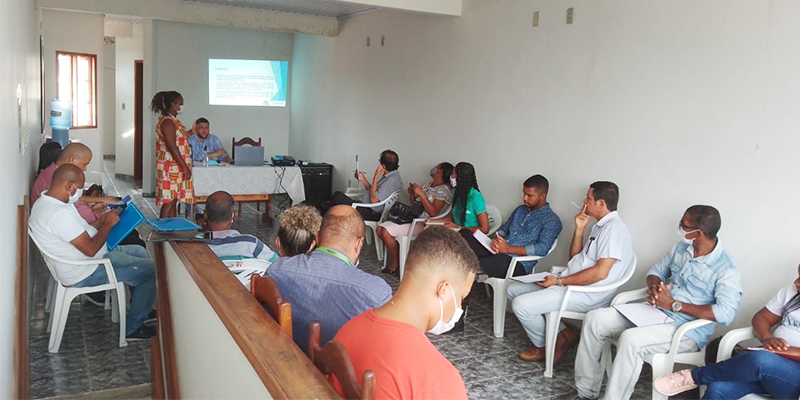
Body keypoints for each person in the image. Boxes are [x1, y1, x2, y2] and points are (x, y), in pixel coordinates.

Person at [574, 205, 742, 400]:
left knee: (631, 340)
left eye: (683, 225)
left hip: (686, 329)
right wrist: (656, 288)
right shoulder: (680, 248)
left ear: (699, 233)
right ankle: (586, 393)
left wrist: (674, 305)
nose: (680, 228)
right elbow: (655, 272)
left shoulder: (726, 267)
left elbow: (726, 313)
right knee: (594, 319)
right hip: (656, 312)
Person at [333, 227, 477, 399]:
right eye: (462, 298)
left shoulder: (349, 329)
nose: (459, 307)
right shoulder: (440, 380)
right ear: (444, 289)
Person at [508, 181, 633, 364]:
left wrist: (559, 282)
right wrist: (579, 229)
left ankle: (545, 346)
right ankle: (564, 334)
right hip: (570, 283)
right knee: (513, 290)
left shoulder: (613, 229)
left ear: (601, 203)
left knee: (521, 305)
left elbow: (599, 273)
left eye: (588, 198)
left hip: (585, 293)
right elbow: (575, 259)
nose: (584, 201)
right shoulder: (600, 226)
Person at [29, 164, 157, 340]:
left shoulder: (49, 202)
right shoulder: (58, 214)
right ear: (69, 186)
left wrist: (102, 220)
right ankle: (133, 328)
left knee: (139, 251)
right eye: (80, 188)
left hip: (87, 259)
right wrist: (107, 225)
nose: (81, 193)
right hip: (86, 270)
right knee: (149, 270)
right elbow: (90, 250)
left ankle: (143, 307)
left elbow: (80, 231)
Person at [654, 263, 800, 400]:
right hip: (768, 368)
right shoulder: (791, 292)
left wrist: (786, 351)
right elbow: (762, 317)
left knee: (760, 360)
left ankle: (693, 377)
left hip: (793, 381)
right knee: (718, 388)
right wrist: (767, 338)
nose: (796, 282)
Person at [266, 205, 392, 352]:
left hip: (281, 356)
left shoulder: (277, 269)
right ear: (359, 244)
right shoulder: (377, 293)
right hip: (340, 366)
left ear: (317, 236)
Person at [461, 174, 562, 278]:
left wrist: (508, 249)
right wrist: (497, 240)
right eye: (524, 194)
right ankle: (469, 266)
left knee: (494, 260)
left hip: (517, 263)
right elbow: (504, 229)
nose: (524, 198)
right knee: (464, 234)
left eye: (529, 195)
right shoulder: (520, 210)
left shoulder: (552, 220)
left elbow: (542, 249)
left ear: (542, 196)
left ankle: (467, 267)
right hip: (497, 252)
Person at [375, 162, 454, 275]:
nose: (435, 169)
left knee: (385, 231)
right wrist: (412, 194)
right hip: (411, 218)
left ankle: (396, 261)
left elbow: (433, 212)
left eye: (438, 167)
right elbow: (415, 205)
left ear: (440, 172)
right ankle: (399, 256)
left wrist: (422, 194)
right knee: (379, 229)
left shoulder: (443, 191)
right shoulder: (427, 185)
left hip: (423, 224)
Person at [150, 90, 194, 218]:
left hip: (175, 166)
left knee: (174, 200)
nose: (182, 106)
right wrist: (184, 167)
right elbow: (172, 146)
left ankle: (171, 227)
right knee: (168, 202)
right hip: (170, 167)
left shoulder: (174, 121)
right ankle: (162, 228)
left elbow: (179, 139)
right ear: (172, 104)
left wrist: (191, 132)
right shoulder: (167, 122)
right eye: (180, 103)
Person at [328, 150, 403, 221]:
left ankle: (326, 216)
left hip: (370, 211)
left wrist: (376, 177)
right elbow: (373, 191)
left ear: (383, 166)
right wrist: (362, 178)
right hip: (365, 207)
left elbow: (374, 200)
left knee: (337, 196)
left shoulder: (392, 181)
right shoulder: (392, 175)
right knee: (334, 204)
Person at [204, 191, 278, 263]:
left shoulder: (200, 247)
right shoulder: (251, 243)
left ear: (205, 215)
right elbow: (278, 264)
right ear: (234, 215)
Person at [430, 161, 489, 234]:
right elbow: (454, 217)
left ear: (461, 178)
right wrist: (432, 221)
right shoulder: (459, 194)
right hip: (457, 233)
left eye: (453, 174)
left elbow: (485, 229)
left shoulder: (476, 198)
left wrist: (459, 228)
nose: (451, 177)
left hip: (469, 236)